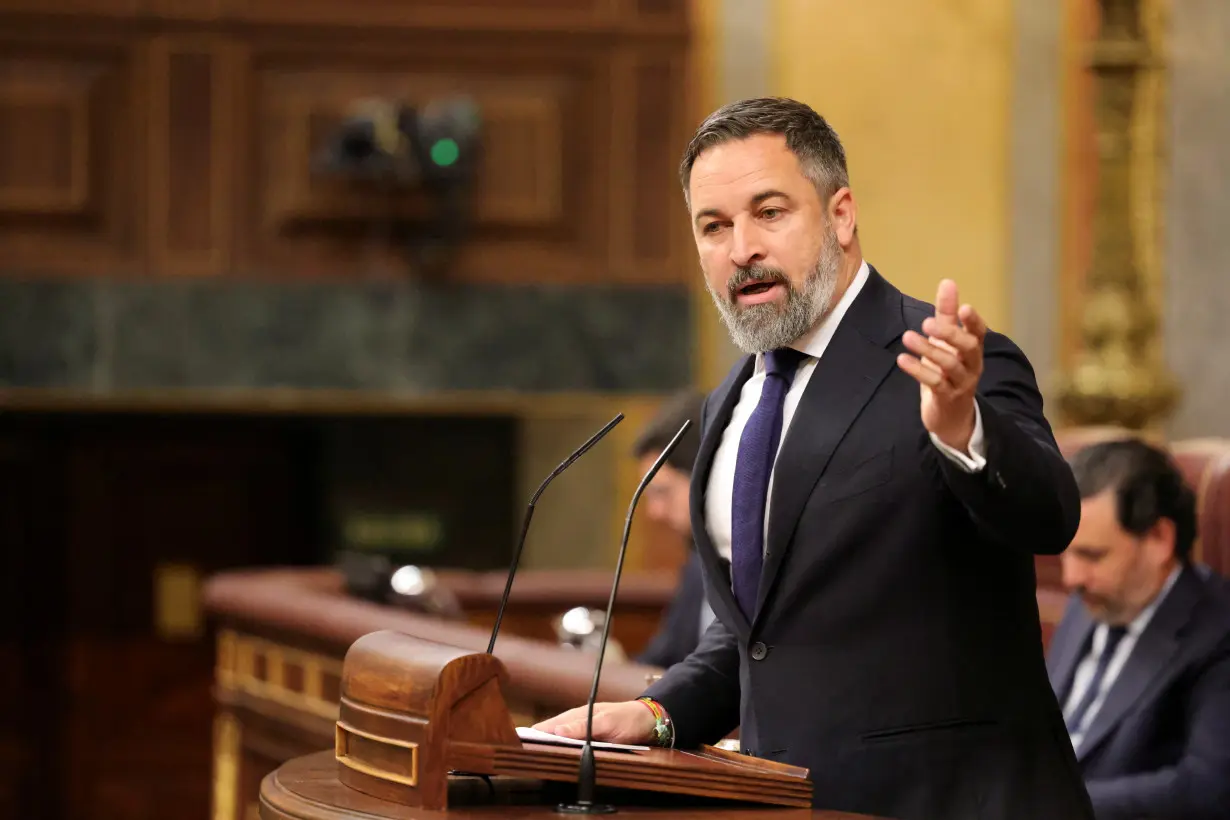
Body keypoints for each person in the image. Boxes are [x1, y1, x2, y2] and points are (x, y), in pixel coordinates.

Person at [534, 96, 1095, 820]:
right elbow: (764, 635)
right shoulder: (729, 401)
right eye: (714, 226)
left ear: (841, 215)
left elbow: (1050, 516)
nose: (741, 249)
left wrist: (963, 429)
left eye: (770, 213)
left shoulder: (938, 359)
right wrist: (657, 713)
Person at [1046, 438, 1230, 819]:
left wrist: (1047, 806)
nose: (1071, 577)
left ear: (1159, 539)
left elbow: (1208, 789)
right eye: (1066, 551)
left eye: (1092, 555)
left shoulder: (1219, 633)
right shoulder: (1092, 598)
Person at [631, 390, 713, 669]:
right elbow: (663, 661)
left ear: (706, 476)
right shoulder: (697, 563)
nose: (655, 513)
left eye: (663, 492)